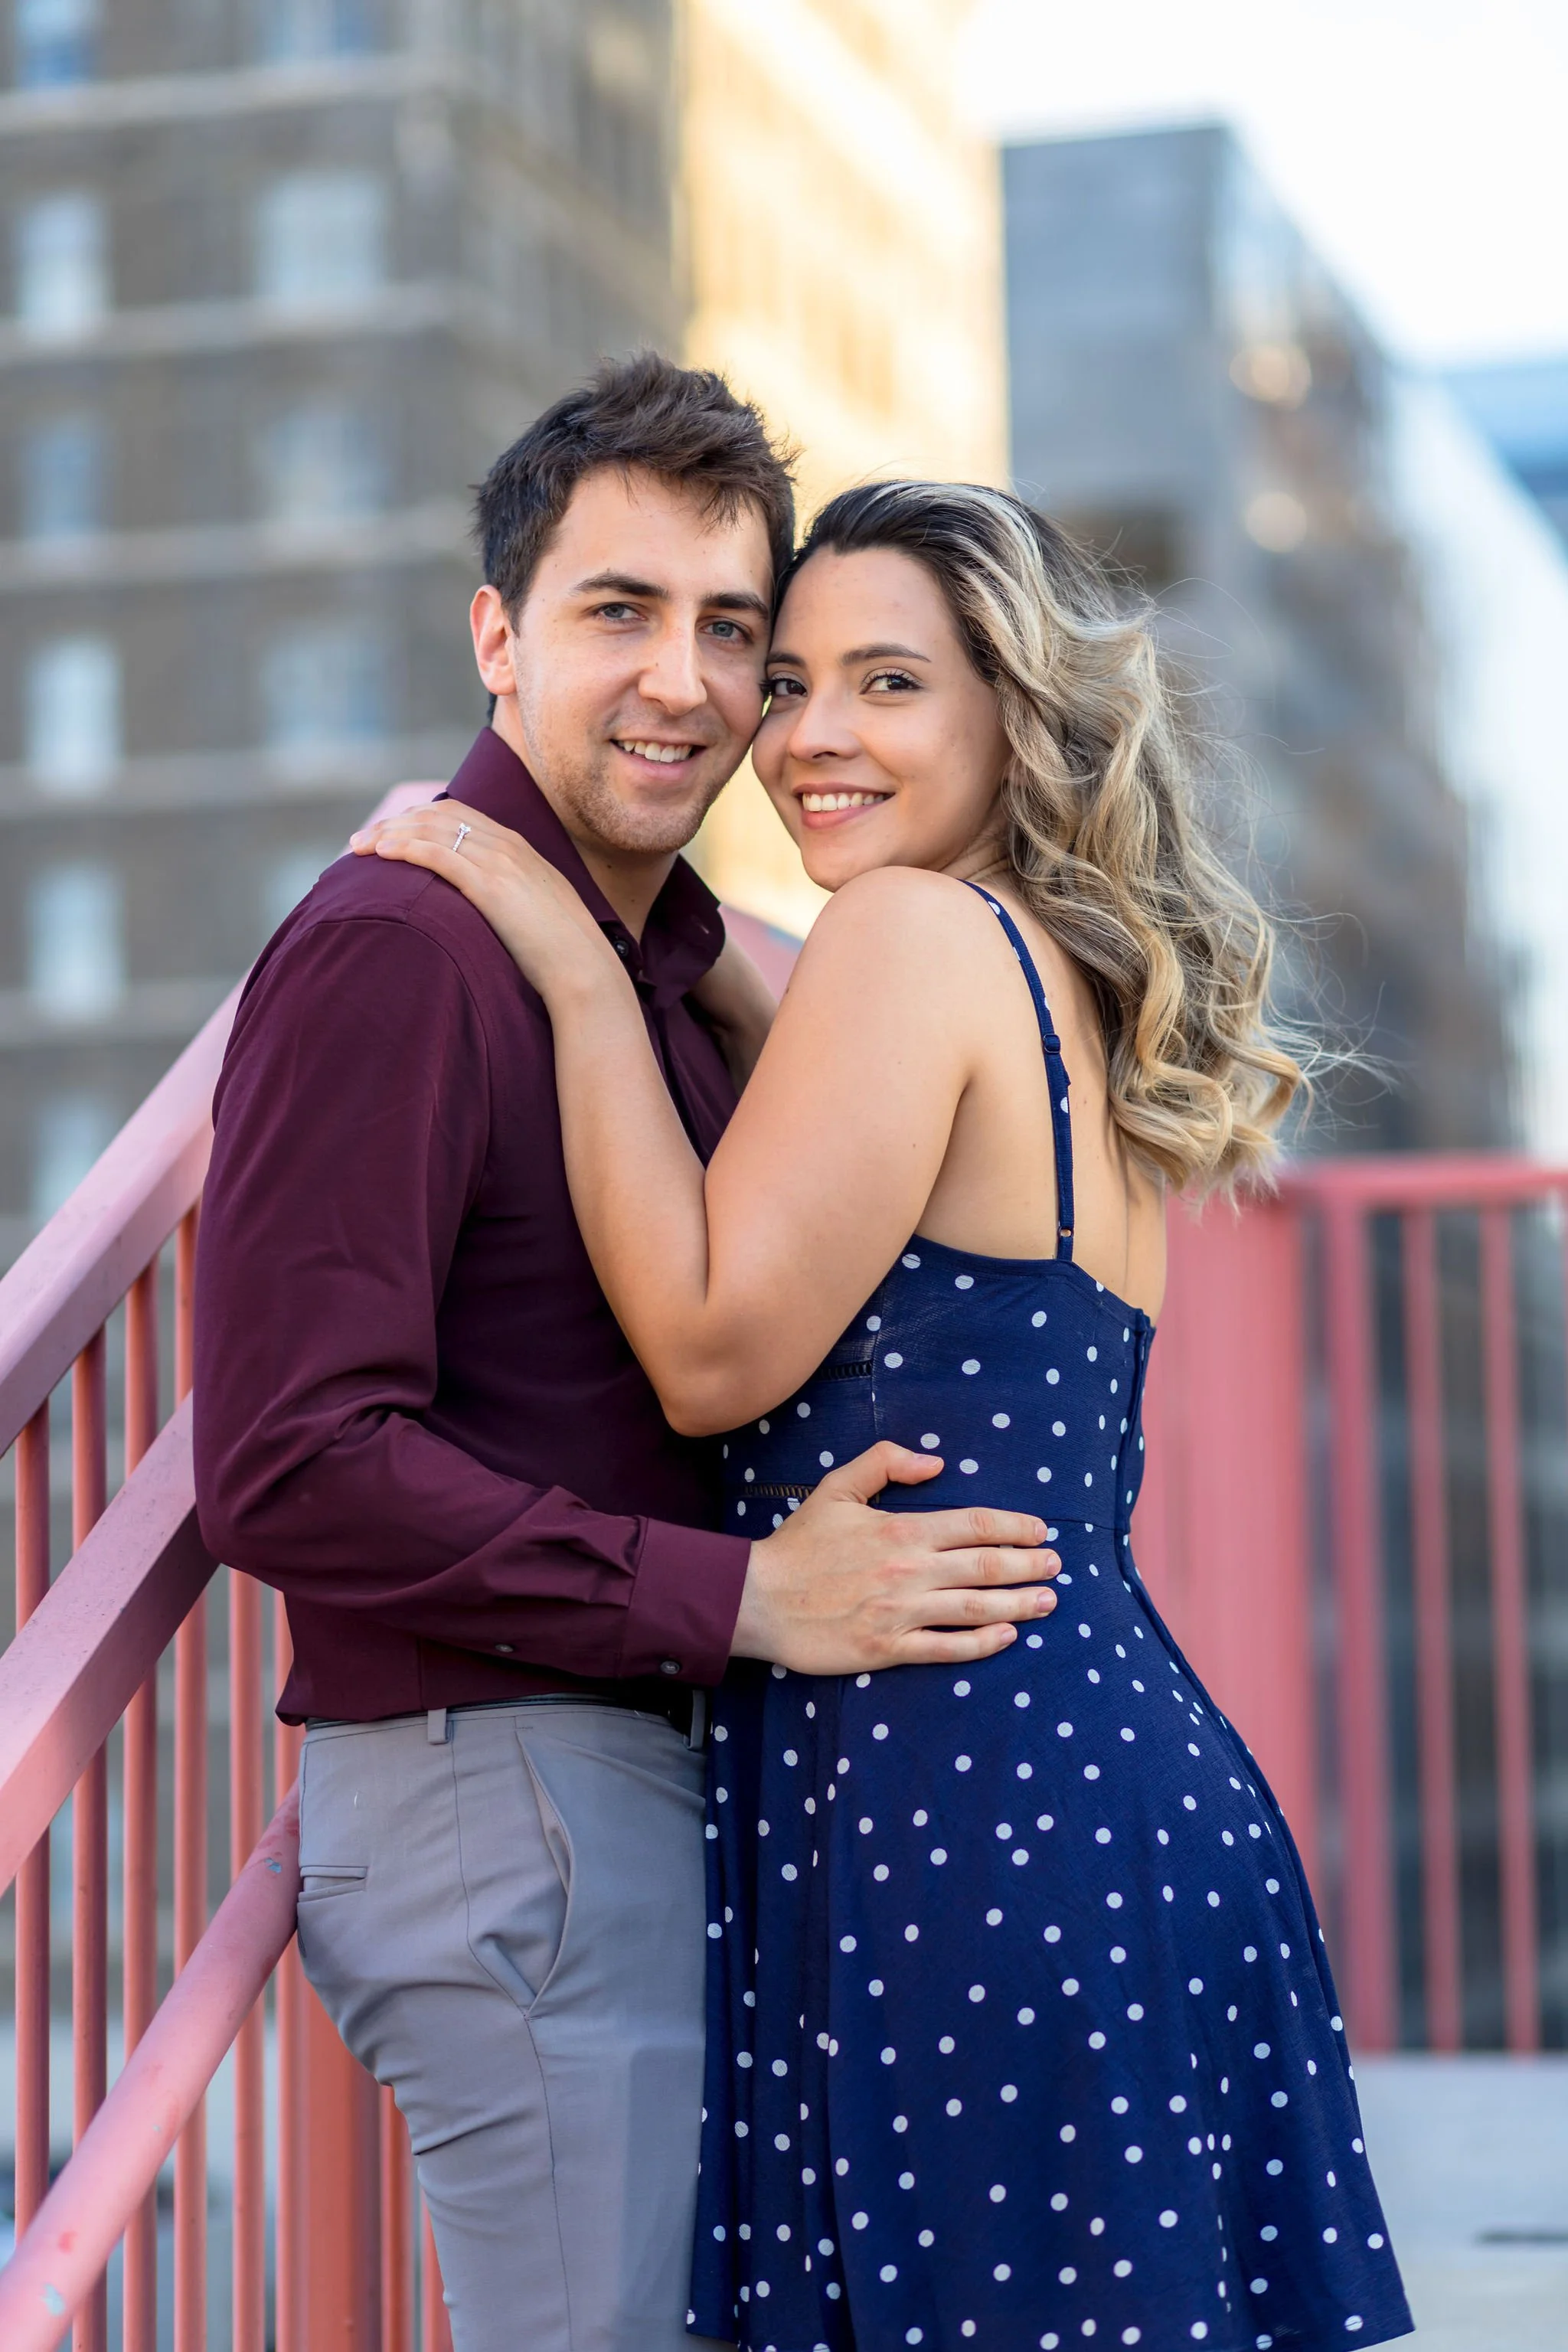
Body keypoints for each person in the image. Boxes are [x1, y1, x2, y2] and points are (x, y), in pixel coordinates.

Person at [358, 476, 1416, 2352]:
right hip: (1102, 1786)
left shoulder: (908, 938)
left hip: (967, 1806)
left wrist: (574, 963)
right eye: (790, 681)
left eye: (888, 684)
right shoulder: (1050, 979)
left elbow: (701, 1349)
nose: (811, 733)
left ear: (1012, 714)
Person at [193, 366, 1061, 2352]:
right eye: (618, 613)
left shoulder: (675, 974)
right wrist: (747, 1594)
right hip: (510, 1806)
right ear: (496, 635)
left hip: (634, 1787)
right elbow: (289, 1460)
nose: (684, 682)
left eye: (731, 630)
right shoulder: (403, 947)